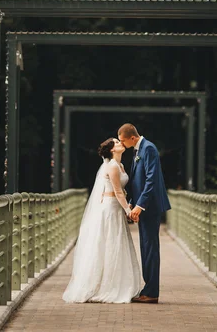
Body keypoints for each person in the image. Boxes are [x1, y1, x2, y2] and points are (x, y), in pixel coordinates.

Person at [62, 137, 143, 303]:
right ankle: (104, 286)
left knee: (116, 243)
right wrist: (129, 211)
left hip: (116, 207)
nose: (121, 143)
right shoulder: (112, 166)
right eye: (117, 142)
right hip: (110, 208)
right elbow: (118, 192)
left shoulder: (120, 165)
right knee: (109, 243)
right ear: (112, 149)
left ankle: (116, 282)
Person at [118, 123, 171, 304]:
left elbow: (151, 180)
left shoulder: (149, 149)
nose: (122, 145)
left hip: (150, 206)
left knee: (150, 248)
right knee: (146, 247)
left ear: (132, 137)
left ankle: (151, 292)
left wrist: (140, 206)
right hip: (143, 205)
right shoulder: (138, 150)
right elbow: (136, 180)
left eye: (123, 141)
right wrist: (132, 202)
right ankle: (148, 289)